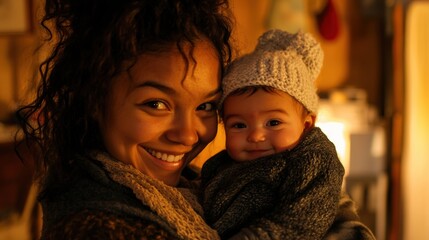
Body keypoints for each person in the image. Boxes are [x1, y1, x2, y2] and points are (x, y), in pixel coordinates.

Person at [17, 0, 234, 239]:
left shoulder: (196, 186)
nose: (188, 135)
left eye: (205, 106)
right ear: (95, 99)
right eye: (156, 104)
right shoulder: (98, 230)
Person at [200, 29, 376, 240]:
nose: (255, 136)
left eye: (273, 123)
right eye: (238, 125)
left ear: (307, 124)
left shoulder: (313, 158)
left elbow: (305, 215)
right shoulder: (218, 167)